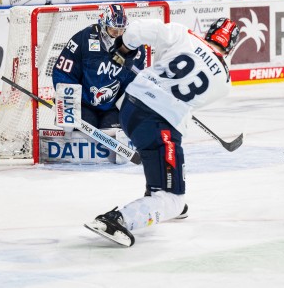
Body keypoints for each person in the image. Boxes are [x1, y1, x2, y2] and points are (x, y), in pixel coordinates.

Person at [84, 16, 240, 247]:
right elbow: (186, 101)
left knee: (157, 157)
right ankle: (117, 219)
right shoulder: (224, 84)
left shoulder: (182, 34)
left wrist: (124, 48)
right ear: (230, 47)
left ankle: (155, 196)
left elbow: (137, 30)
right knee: (173, 200)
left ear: (209, 32)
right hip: (158, 123)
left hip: (129, 107)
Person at [51, 4, 146, 133]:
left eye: (122, 30)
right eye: (113, 31)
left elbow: (133, 83)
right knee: (81, 136)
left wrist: (129, 108)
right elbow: (64, 72)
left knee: (114, 134)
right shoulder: (84, 38)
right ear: (103, 26)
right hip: (83, 104)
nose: (118, 35)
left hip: (112, 107)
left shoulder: (135, 48)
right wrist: (67, 104)